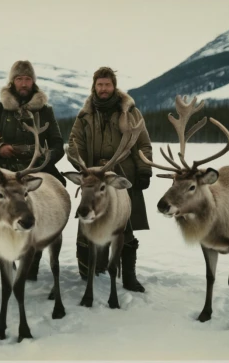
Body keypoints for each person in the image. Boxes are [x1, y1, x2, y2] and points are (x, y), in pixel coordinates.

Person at [0, 60, 67, 281]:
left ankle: (33, 257)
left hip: (36, 174)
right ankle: (6, 256)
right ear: (12, 82)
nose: (24, 83)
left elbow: (57, 144)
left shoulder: (46, 110)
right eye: (19, 79)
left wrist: (43, 156)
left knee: (44, 214)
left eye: (27, 79)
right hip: (4, 173)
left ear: (33, 82)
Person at [67, 66, 152, 292]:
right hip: (94, 180)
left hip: (123, 175)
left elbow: (143, 143)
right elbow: (75, 144)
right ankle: (93, 265)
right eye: (100, 85)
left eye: (107, 85)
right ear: (94, 87)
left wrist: (144, 170)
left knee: (126, 227)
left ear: (114, 86)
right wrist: (83, 168)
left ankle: (129, 276)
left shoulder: (130, 112)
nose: (103, 89)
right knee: (89, 219)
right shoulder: (85, 115)